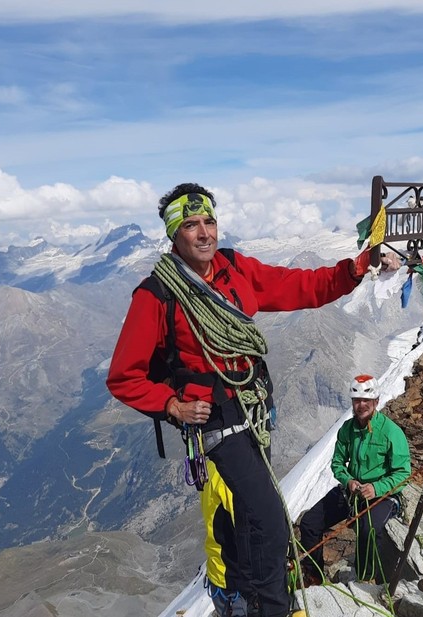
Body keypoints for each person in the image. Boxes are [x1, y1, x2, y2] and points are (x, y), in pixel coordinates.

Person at [106, 183, 400, 617]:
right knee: (270, 520)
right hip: (216, 423)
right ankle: (271, 607)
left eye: (209, 221)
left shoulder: (232, 269)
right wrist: (172, 405)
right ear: (174, 236)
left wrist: (354, 269)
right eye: (190, 225)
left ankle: (240, 596)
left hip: (253, 411)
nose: (204, 232)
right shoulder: (157, 295)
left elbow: (297, 286)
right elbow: (123, 376)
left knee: (247, 513)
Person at [298, 374, 411, 585]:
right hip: (352, 491)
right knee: (309, 522)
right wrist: (348, 481)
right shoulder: (347, 430)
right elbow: (338, 463)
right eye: (357, 401)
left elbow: (403, 473)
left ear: (376, 402)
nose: (361, 405)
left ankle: (365, 580)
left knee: (367, 529)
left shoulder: (390, 432)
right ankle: (314, 576)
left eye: (366, 401)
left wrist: (377, 488)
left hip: (382, 495)